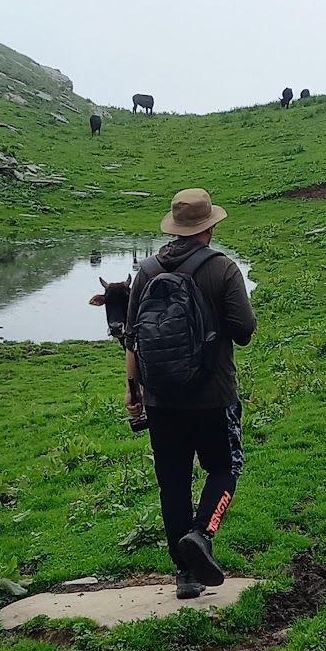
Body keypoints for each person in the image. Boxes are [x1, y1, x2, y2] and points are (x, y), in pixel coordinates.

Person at [125, 188, 257, 598]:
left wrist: (134, 394)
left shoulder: (146, 271)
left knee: (173, 482)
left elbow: (132, 341)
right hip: (214, 396)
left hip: (162, 400)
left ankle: (186, 576)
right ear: (210, 227)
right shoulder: (223, 269)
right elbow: (246, 331)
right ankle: (202, 533)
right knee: (225, 468)